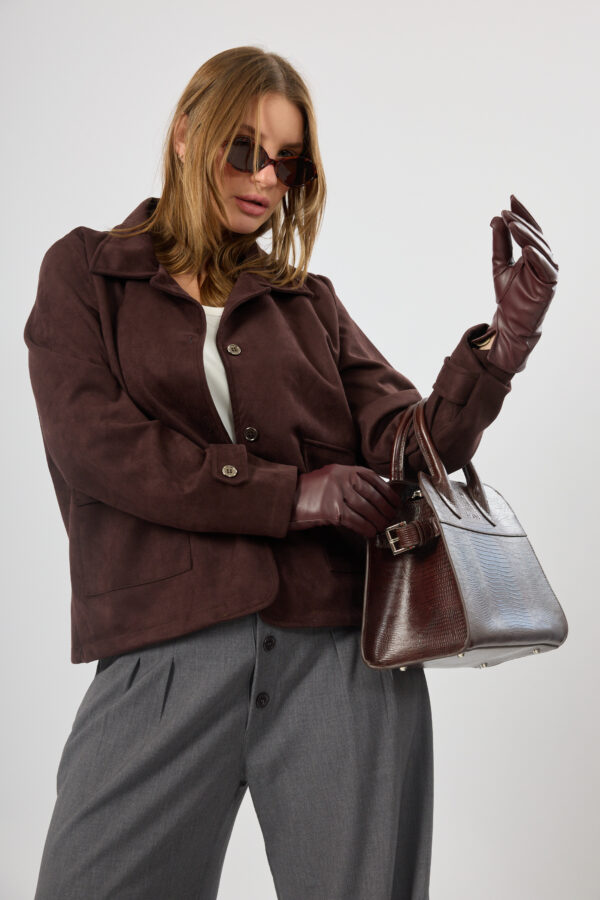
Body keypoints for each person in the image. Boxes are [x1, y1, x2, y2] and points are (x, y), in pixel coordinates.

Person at [23, 45, 558, 900]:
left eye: (288, 162)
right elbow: (98, 447)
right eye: (244, 149)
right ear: (186, 134)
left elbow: (412, 444)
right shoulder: (87, 275)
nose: (265, 177)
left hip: (337, 659)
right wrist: (292, 494)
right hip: (163, 656)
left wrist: (504, 343)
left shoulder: (309, 303)